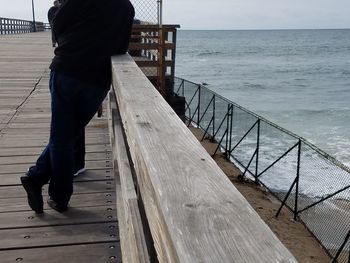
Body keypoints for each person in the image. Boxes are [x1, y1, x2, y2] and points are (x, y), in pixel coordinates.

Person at [21, 0, 135, 213]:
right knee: (67, 136)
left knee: (62, 138)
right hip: (97, 80)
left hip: (67, 70)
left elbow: (58, 22)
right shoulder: (127, 7)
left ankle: (53, 191)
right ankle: (41, 182)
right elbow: (122, 46)